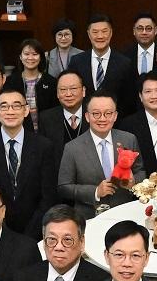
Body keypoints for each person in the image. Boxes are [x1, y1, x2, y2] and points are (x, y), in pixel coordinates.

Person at [0, 84, 55, 236]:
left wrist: (31, 234)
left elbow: (48, 196)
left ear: (26, 111)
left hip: (35, 231)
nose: (10, 111)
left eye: (16, 106)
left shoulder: (43, 146)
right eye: (4, 107)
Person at [57, 92, 143, 220]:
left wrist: (133, 182)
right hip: (89, 217)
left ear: (115, 116)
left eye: (108, 113)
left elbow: (141, 172)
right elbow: (63, 187)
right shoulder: (72, 148)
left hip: (125, 213)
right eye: (96, 113)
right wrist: (95, 191)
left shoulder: (129, 139)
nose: (102, 119)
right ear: (87, 116)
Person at [70, 12, 137, 107]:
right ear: (89, 34)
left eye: (104, 31)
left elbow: (130, 99)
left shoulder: (125, 63)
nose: (100, 36)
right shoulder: (77, 62)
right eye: (95, 32)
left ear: (111, 33)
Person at [38, 69, 90, 153]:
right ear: (57, 93)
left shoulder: (95, 115)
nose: (68, 94)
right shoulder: (46, 118)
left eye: (73, 88)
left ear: (83, 91)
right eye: (63, 89)